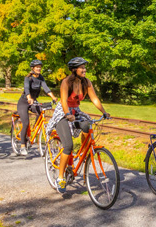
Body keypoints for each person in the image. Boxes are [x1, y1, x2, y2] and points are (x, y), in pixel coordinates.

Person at [45, 57, 110, 193]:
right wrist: (67, 114)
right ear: (74, 70)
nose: (84, 69)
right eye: (82, 67)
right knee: (68, 146)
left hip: (76, 111)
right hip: (63, 112)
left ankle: (82, 153)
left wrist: (104, 112)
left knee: (87, 125)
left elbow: (94, 98)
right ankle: (61, 178)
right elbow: (63, 101)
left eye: (85, 67)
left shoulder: (86, 82)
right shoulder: (66, 82)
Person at [15, 59, 57, 156]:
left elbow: (46, 88)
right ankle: (22, 146)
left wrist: (53, 97)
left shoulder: (41, 78)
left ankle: (35, 129)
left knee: (41, 111)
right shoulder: (28, 78)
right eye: (37, 67)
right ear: (33, 68)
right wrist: (29, 97)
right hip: (24, 101)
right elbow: (26, 88)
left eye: (40, 67)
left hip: (34, 101)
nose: (39, 68)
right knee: (25, 123)